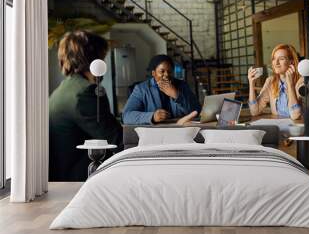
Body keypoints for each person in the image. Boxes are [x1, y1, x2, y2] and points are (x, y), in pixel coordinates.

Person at [49, 31, 122, 182]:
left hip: (62, 174)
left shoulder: (65, 88)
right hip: (80, 177)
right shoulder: (85, 93)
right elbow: (117, 140)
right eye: (102, 58)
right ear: (94, 60)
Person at [122, 54, 201, 125]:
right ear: (154, 73)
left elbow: (197, 110)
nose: (166, 75)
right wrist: (152, 116)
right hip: (155, 133)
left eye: (169, 72)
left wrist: (176, 95)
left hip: (180, 129)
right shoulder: (141, 89)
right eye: (162, 71)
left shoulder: (182, 85)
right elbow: (126, 116)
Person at [248, 44, 304, 120]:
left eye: (281, 59)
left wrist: (290, 84)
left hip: (297, 127)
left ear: (292, 62)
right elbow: (255, 111)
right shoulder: (270, 81)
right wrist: (251, 83)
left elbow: (295, 115)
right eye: (274, 59)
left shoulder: (301, 81)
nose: (276, 63)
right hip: (279, 126)